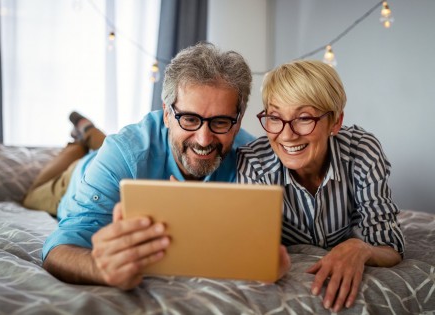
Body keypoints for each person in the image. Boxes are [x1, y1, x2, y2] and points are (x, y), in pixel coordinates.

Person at [33, 42, 290, 290]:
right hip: (74, 176)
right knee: (32, 193)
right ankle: (79, 142)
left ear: (238, 120)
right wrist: (98, 268)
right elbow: (59, 246)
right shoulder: (122, 152)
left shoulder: (252, 158)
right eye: (189, 119)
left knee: (104, 143)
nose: (204, 139)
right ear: (167, 114)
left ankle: (89, 133)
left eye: (221, 122)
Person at [236, 60, 404, 312]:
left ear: (335, 122)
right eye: (274, 117)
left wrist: (361, 248)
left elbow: (390, 247)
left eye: (304, 118)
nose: (287, 135)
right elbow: (253, 248)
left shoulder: (362, 152)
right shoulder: (253, 162)